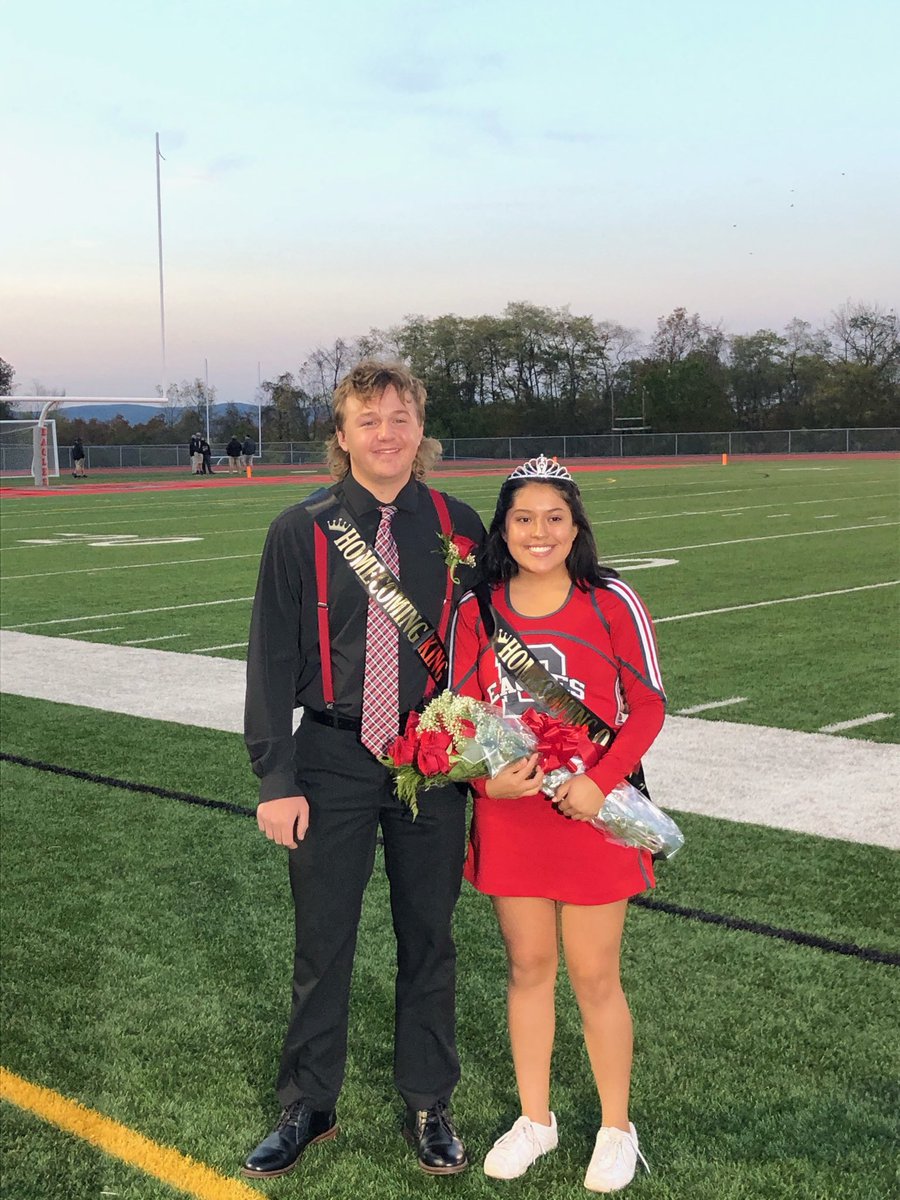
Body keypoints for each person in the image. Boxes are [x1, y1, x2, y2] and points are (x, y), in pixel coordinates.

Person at [242, 361, 483, 1182]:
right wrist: (276, 779)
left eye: (401, 417)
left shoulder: (460, 524)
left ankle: (428, 1100)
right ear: (341, 437)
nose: (387, 433)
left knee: (430, 938)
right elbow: (270, 660)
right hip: (332, 757)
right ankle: (310, 1103)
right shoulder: (298, 528)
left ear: (423, 433)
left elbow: (487, 652)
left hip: (433, 759)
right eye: (369, 419)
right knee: (323, 940)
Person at [448, 454, 666, 1193]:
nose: (539, 532)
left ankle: (615, 1126)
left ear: (576, 526)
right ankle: (536, 1119)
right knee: (527, 967)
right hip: (513, 817)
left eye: (554, 517)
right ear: (501, 529)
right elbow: (457, 717)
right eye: (522, 518)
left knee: (596, 973)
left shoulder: (611, 602)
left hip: (590, 817)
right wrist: (487, 780)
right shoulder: (475, 610)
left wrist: (600, 784)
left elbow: (648, 707)